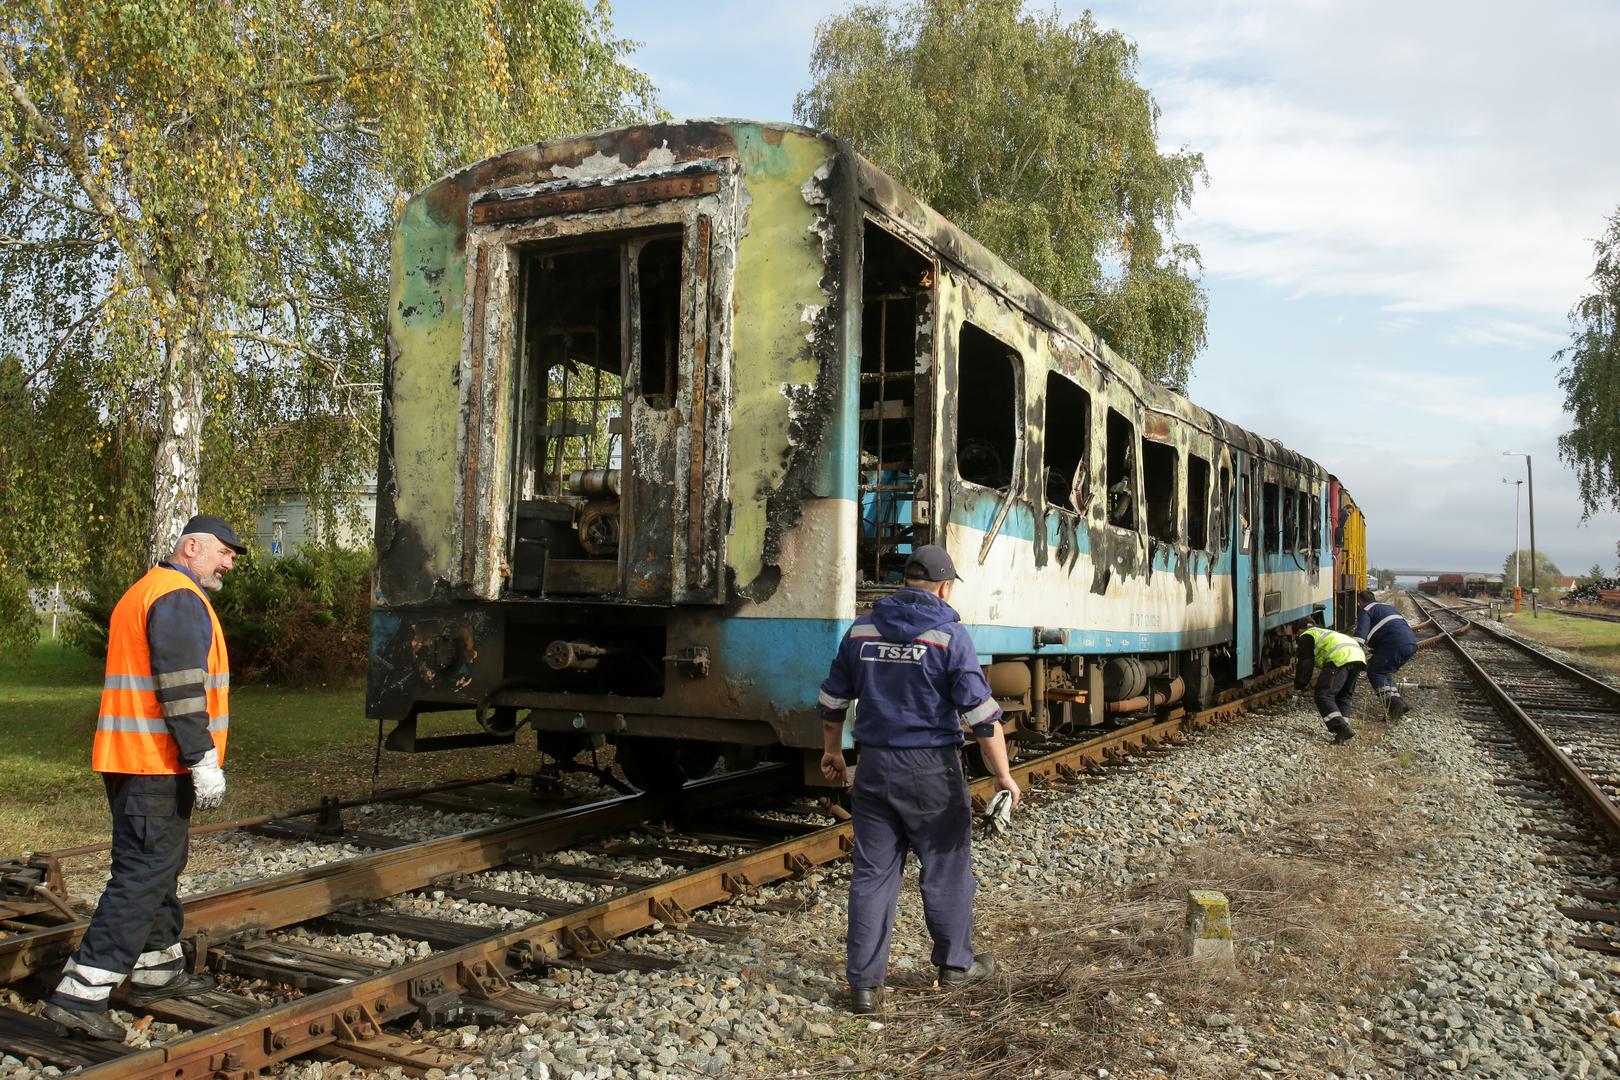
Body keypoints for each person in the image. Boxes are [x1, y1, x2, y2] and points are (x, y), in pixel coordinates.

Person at [43, 516, 245, 1040]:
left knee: (159, 862)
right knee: (143, 871)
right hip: (154, 760)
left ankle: (156, 968)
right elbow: (180, 688)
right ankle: (82, 992)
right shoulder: (177, 597)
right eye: (223, 552)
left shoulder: (154, 590)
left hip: (137, 758)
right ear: (191, 546)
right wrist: (202, 758)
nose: (228, 563)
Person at [816, 544, 1021, 1015]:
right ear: (945, 587)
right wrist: (1003, 776)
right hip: (931, 769)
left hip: (873, 767)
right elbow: (982, 718)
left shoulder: (862, 629)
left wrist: (832, 751)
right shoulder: (949, 634)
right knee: (945, 869)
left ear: (904, 581)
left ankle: (865, 987)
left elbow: (831, 700)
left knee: (872, 875)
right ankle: (955, 966)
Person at [1293, 619, 1366, 745]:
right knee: (1344, 695)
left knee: (1323, 694)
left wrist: (1299, 686)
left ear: (1298, 631)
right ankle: (1342, 733)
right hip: (1358, 656)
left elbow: (1305, 664)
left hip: (1340, 658)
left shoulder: (1306, 636)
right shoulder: (1323, 632)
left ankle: (1342, 728)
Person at [1354, 590, 1417, 720]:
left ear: (1360, 601)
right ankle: (1400, 703)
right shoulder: (1387, 607)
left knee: (1375, 671)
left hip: (1394, 643)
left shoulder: (1365, 610)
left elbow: (1360, 636)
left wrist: (1353, 652)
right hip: (1411, 642)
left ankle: (1393, 704)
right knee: (1384, 671)